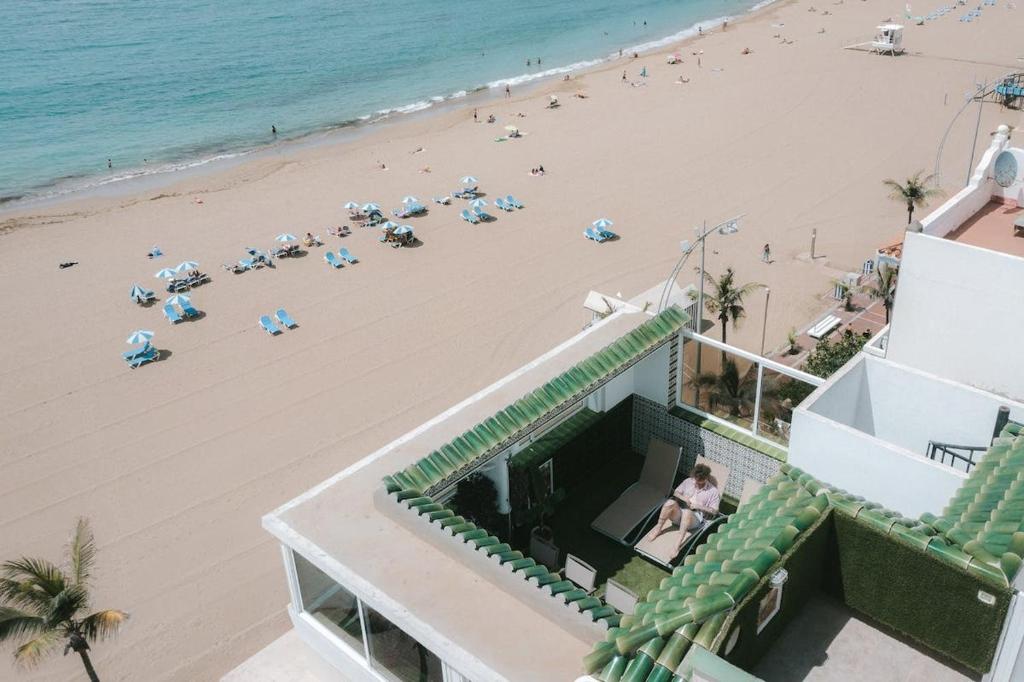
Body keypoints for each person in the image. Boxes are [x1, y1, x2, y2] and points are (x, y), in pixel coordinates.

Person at [644, 463, 721, 552]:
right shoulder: (688, 481)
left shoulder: (713, 491)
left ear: (706, 478)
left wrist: (698, 506)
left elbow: (715, 511)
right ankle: (658, 529)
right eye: (695, 480)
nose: (695, 483)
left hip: (694, 519)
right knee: (669, 503)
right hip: (679, 513)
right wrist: (685, 498)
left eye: (699, 482)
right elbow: (676, 492)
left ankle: (678, 543)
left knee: (687, 513)